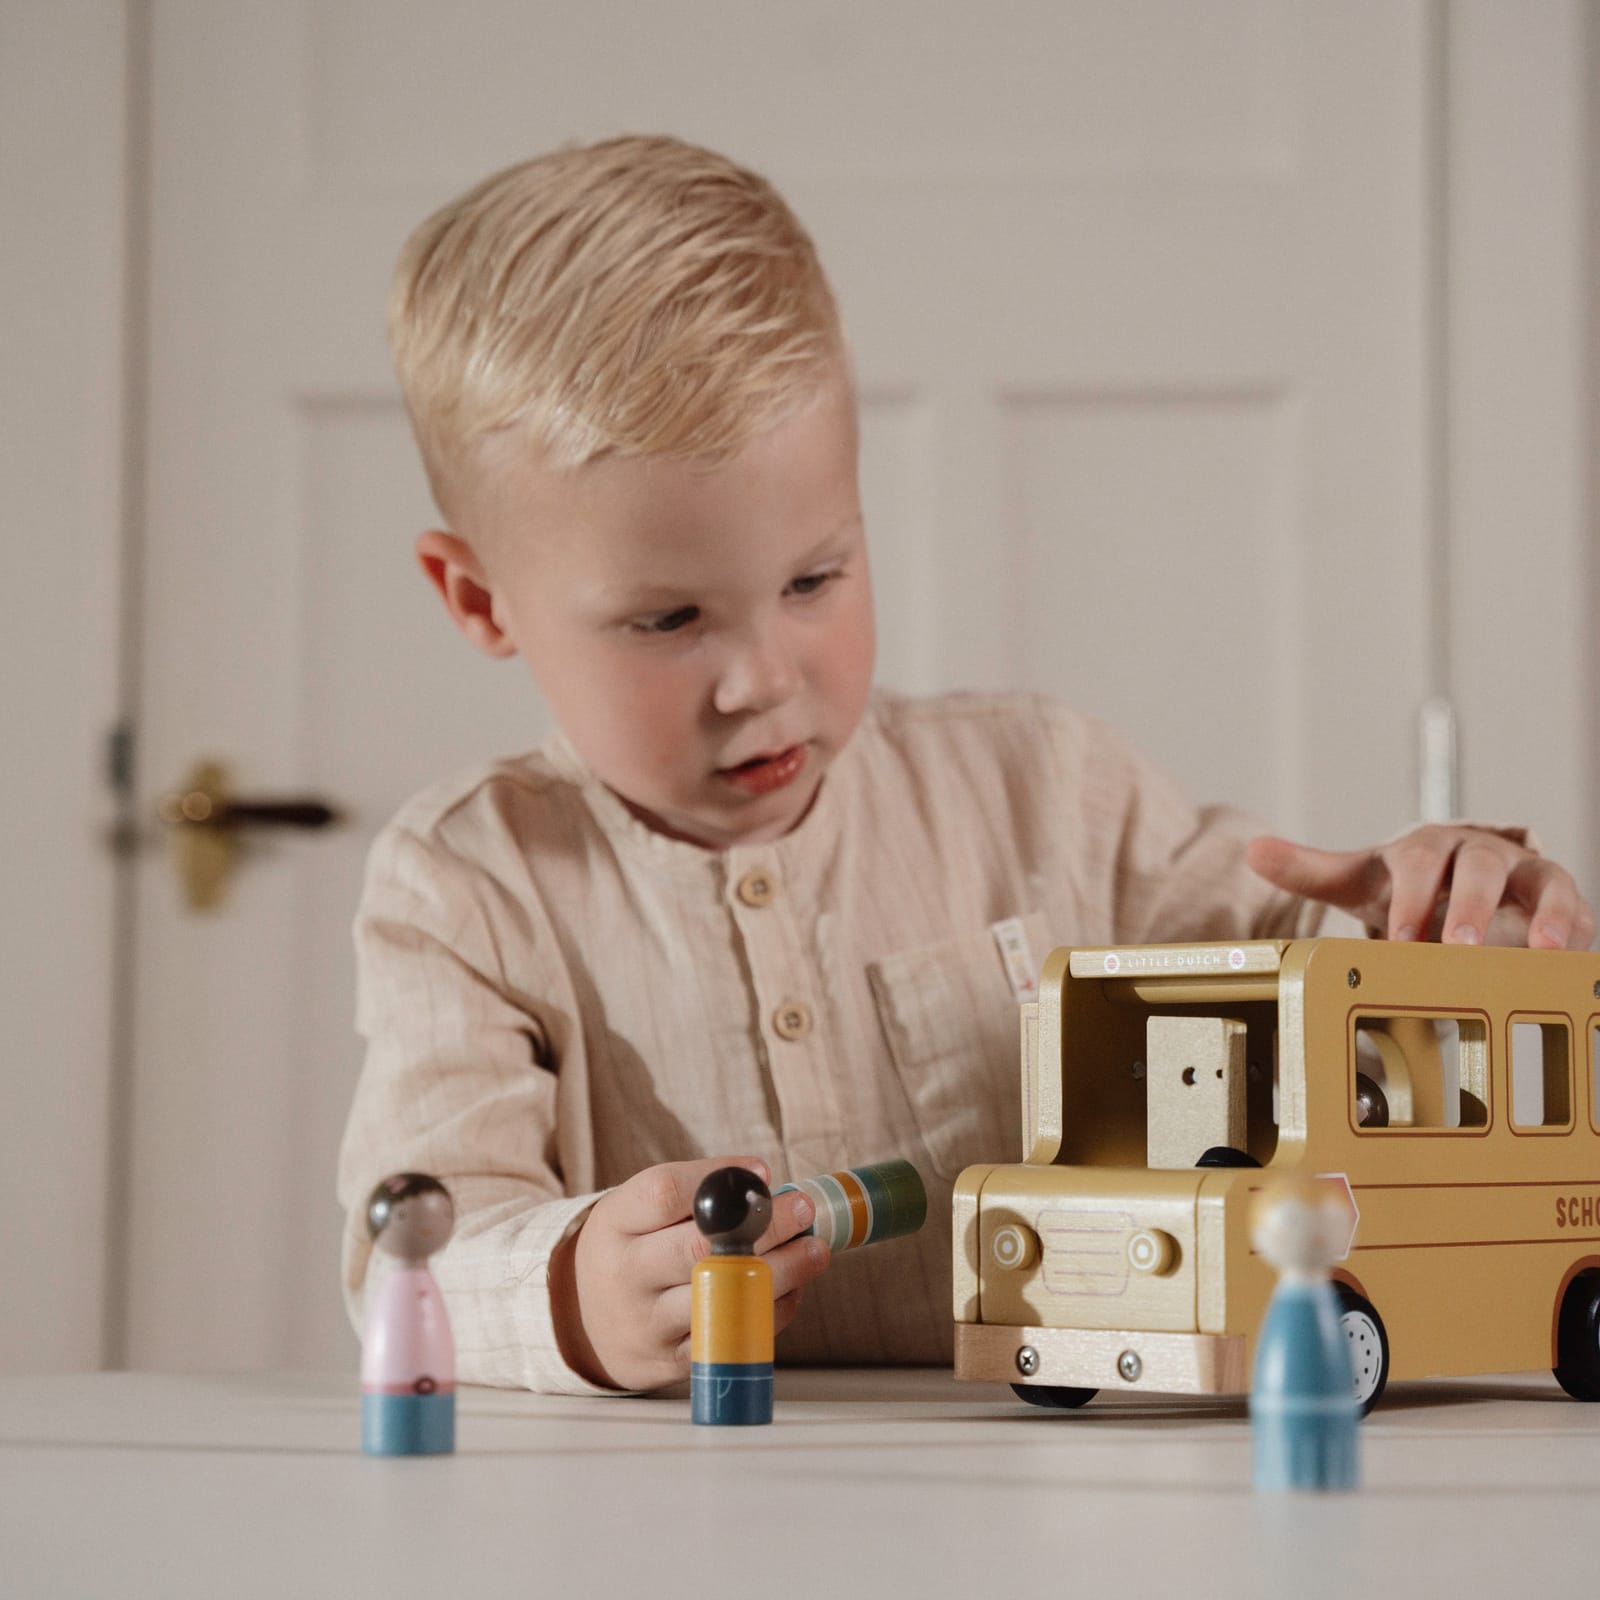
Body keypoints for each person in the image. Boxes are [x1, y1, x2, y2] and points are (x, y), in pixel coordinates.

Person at [337, 134, 1593, 1398]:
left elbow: (1303, 972)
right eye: (669, 621)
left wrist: (1432, 917)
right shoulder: (467, 883)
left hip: (1063, 1471)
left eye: (814, 578)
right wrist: (567, 1293)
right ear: (478, 596)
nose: (762, 676)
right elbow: (416, 1248)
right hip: (675, 1506)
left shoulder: (1041, 785)